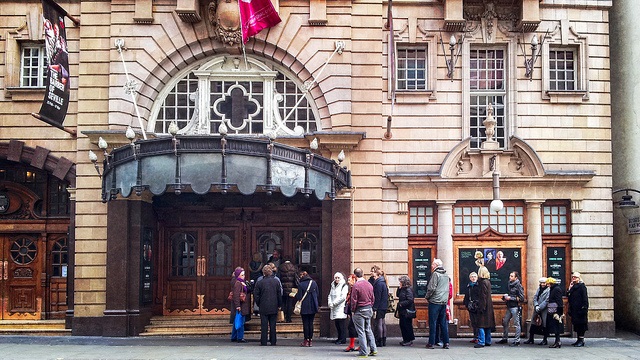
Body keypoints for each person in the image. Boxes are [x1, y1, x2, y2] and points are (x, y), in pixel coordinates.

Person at [350, 267, 378, 357]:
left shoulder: (356, 286)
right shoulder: (369, 284)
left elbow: (354, 300)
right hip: (368, 308)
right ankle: (373, 349)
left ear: (354, 275)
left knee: (361, 331)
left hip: (359, 310)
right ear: (363, 274)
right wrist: (370, 305)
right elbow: (373, 298)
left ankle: (363, 352)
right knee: (368, 329)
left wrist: (352, 310)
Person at [424, 258, 450, 349]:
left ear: (436, 265)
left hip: (435, 302)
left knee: (433, 322)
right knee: (443, 323)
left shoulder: (435, 274)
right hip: (443, 302)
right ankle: (446, 342)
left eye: (432, 264)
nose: (431, 266)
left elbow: (431, 288)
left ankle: (431, 342)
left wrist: (427, 297)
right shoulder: (446, 275)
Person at [253, 265, 283, 346]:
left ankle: (264, 341)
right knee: (273, 325)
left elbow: (256, 295)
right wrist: (279, 304)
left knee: (264, 325)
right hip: (274, 306)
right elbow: (279, 294)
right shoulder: (276, 282)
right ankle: (273, 341)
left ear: (263, 272)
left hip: (263, 306)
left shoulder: (260, 282)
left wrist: (259, 303)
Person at [497, 271, 525, 346]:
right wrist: (505, 298)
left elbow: (522, 298)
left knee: (516, 323)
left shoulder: (518, 286)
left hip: (515, 306)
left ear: (516, 278)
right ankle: (505, 338)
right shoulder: (509, 284)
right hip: (509, 306)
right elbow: (509, 294)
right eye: (510, 275)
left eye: (512, 276)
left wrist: (511, 298)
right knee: (505, 321)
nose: (510, 277)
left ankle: (517, 340)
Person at [294, 270, 319, 347]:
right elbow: (317, 294)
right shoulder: (314, 283)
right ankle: (310, 340)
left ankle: (306, 340)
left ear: (301, 276)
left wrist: (294, 295)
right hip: (313, 305)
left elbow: (299, 297)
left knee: (305, 323)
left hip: (304, 306)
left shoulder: (301, 285)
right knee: (311, 323)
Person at [474, 266, 495, 348]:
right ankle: (488, 340)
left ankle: (481, 341)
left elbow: (483, 296)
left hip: (484, 307)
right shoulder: (488, 282)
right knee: (488, 325)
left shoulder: (482, 283)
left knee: (481, 325)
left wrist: (481, 308)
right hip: (489, 306)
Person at [524, 277, 549, 345]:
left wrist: (540, 307)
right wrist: (536, 305)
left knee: (544, 324)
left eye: (544, 283)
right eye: (541, 283)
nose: (542, 284)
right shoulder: (539, 289)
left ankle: (545, 339)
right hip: (537, 308)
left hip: (544, 310)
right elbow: (535, 297)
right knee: (533, 323)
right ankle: (531, 339)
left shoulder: (548, 290)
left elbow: (547, 300)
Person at [567, 271, 589, 347]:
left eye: (575, 277)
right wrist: (569, 289)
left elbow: (585, 298)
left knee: (581, 326)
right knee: (576, 325)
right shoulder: (573, 287)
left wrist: (584, 308)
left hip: (580, 309)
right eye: (573, 277)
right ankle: (578, 339)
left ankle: (581, 340)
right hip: (574, 309)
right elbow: (569, 296)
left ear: (579, 278)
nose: (573, 278)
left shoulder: (582, 286)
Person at [230, 267, 250, 343]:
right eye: (242, 275)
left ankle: (234, 336)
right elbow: (236, 295)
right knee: (241, 321)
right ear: (238, 275)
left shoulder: (237, 281)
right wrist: (238, 305)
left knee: (236, 321)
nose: (244, 276)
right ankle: (240, 337)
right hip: (241, 305)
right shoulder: (238, 283)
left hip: (239, 305)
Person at [328, 272, 348, 344]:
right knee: (337, 323)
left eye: (338, 278)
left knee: (341, 324)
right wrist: (330, 303)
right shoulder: (333, 285)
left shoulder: (344, 286)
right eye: (336, 278)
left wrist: (334, 303)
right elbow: (330, 295)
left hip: (340, 307)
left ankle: (342, 339)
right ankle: (339, 338)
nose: (337, 279)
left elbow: (343, 297)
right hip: (334, 307)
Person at [396, 275, 416, 346]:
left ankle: (409, 339)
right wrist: (399, 288)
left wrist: (401, 304)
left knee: (407, 325)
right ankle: (405, 339)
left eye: (400, 282)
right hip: (403, 311)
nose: (399, 283)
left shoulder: (408, 289)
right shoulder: (403, 289)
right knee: (402, 325)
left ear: (403, 282)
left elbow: (410, 300)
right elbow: (398, 295)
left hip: (407, 311)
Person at [372, 268, 389, 347]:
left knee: (379, 323)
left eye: (375, 276)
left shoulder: (378, 284)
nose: (374, 278)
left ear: (378, 275)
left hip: (379, 306)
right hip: (384, 306)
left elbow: (377, 297)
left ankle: (379, 341)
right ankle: (384, 340)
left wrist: (375, 307)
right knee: (382, 323)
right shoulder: (384, 282)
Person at [546, 277, 564, 348]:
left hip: (555, 311)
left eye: (548, 283)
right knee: (555, 326)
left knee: (556, 326)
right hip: (553, 310)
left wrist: (559, 312)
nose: (547, 285)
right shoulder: (553, 289)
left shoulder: (556, 289)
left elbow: (559, 301)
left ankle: (558, 341)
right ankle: (557, 341)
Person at [278, 257, 298, 323]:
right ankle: (288, 318)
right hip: (291, 288)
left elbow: (279, 278)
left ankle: (282, 317)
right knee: (289, 303)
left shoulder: (280, 267)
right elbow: (296, 279)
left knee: (283, 303)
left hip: (283, 288)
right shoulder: (294, 267)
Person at [343, 274, 359, 352]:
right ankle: (353, 345)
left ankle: (353, 345)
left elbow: (354, 300)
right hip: (352, 311)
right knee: (351, 327)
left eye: (349, 280)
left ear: (353, 280)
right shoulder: (352, 288)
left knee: (353, 327)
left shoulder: (355, 288)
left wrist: (353, 311)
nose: (348, 282)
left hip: (355, 311)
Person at [462, 272, 480, 344]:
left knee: (478, 322)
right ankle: (475, 336)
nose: (473, 278)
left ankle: (478, 337)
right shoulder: (468, 286)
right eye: (472, 277)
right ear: (470, 278)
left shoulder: (479, 286)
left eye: (475, 276)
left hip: (477, 306)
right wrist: (466, 304)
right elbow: (466, 296)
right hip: (471, 306)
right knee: (473, 322)